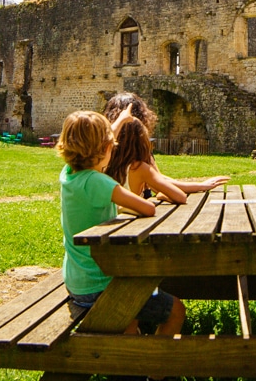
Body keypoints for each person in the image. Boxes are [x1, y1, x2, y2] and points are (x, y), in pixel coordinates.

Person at [57, 108, 187, 339]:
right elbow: (147, 208)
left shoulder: (68, 175)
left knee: (129, 319)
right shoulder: (99, 182)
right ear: (107, 148)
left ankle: (131, 345)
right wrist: (157, 198)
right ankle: (153, 363)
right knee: (176, 310)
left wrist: (121, 120)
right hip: (101, 285)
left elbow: (102, 142)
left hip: (77, 283)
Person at [102, 93, 230, 197]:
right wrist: (201, 186)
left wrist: (200, 185)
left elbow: (159, 180)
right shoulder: (113, 152)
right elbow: (161, 184)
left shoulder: (103, 151)